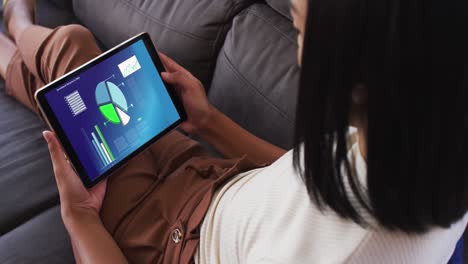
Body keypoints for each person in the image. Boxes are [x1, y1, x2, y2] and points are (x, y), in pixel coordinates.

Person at [0, 0, 466, 262]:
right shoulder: (424, 141)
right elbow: (303, 181)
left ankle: (15, 28)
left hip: (168, 239)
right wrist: (210, 123)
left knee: (71, 52)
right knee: (80, 81)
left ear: (354, 71)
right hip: (213, 180)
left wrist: (80, 216)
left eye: (299, 31)